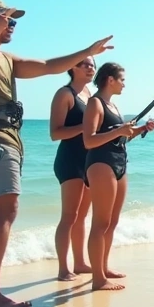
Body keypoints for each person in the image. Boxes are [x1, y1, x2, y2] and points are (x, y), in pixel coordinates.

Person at [0, 0, 112, 307]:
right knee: (6, 211)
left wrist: (87, 51)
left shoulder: (6, 59)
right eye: (8, 20)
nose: (12, 26)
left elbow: (51, 66)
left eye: (13, 22)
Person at [82, 63, 154, 291]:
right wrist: (119, 131)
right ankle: (97, 279)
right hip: (101, 163)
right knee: (101, 223)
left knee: (112, 222)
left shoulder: (113, 105)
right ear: (110, 79)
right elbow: (89, 140)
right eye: (122, 79)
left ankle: (103, 268)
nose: (125, 84)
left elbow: (120, 137)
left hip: (119, 162)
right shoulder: (95, 103)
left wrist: (142, 129)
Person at [50, 56, 97, 281]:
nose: (90, 68)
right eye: (85, 64)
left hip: (90, 160)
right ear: (73, 67)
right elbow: (55, 133)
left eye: (93, 65)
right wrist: (84, 126)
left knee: (82, 216)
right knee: (69, 216)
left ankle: (79, 263)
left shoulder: (90, 95)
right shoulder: (64, 94)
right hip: (70, 159)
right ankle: (62, 268)